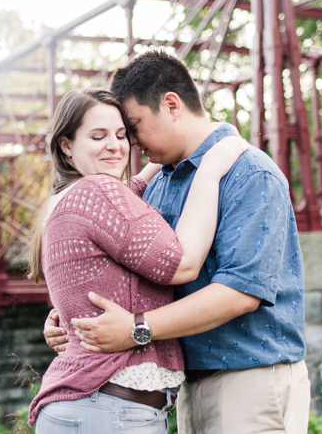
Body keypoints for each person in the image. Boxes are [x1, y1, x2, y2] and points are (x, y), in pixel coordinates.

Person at [47, 51, 311, 434]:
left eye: (132, 127)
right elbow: (128, 271)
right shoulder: (160, 182)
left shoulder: (248, 171)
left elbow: (241, 292)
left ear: (171, 105)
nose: (130, 144)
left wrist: (137, 327)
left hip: (250, 379)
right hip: (188, 384)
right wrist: (71, 315)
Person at [27, 88, 248, 433]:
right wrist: (211, 167)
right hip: (112, 410)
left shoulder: (65, 200)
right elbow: (183, 263)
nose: (115, 146)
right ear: (66, 146)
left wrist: (161, 156)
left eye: (121, 135)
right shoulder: (99, 191)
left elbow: (126, 202)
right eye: (98, 136)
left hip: (83, 408)